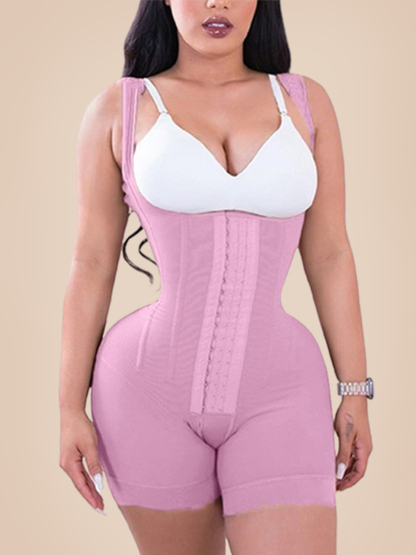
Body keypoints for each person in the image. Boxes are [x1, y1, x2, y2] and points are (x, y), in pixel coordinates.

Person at [59, 1, 373, 553]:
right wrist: (68, 408)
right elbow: (91, 262)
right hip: (145, 392)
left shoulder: (305, 101)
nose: (216, 2)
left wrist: (356, 391)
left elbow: (330, 254)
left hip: (281, 389)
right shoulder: (120, 107)